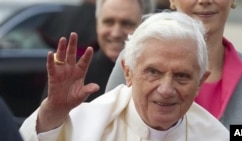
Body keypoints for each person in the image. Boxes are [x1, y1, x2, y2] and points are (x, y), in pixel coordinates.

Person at [19, 11, 229, 141]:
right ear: (128, 72)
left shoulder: (216, 135)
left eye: (182, 76)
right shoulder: (89, 124)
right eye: (153, 72)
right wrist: (52, 112)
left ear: (200, 82)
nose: (166, 89)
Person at [105, 0, 242, 129]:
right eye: (154, 72)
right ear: (172, 1)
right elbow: (108, 126)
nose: (204, 1)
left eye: (181, 75)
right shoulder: (136, 59)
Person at [83, 0, 155, 101]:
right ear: (97, 24)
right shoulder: (78, 78)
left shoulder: (158, 78)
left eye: (126, 24)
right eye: (108, 22)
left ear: (145, 27)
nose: (116, 33)